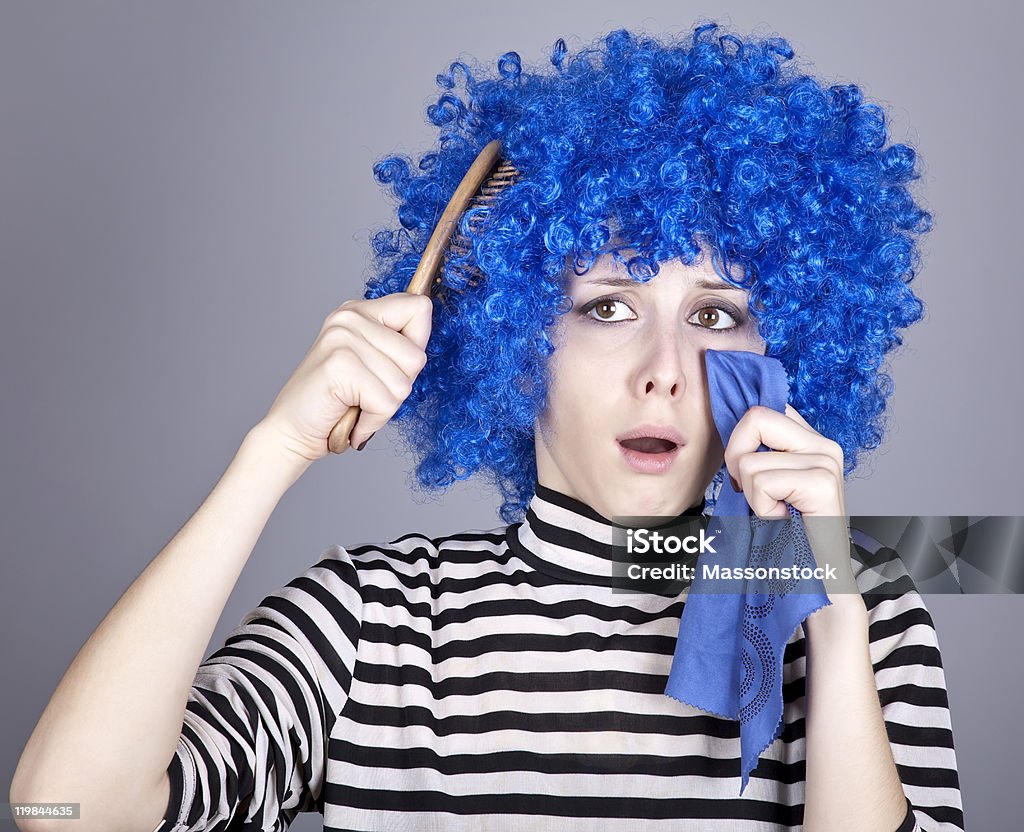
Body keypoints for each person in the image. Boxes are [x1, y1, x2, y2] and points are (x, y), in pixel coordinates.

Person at [11, 23, 963, 832]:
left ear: (784, 356)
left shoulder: (860, 609)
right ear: (514, 338)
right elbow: (64, 815)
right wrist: (273, 454)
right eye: (607, 307)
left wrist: (833, 620)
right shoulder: (371, 621)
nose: (665, 373)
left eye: (715, 318)